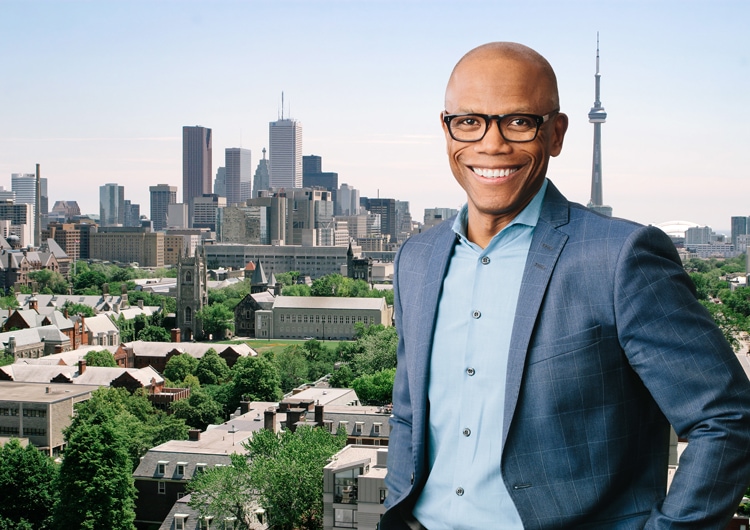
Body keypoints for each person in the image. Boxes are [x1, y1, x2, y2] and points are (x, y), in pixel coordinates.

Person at [382, 42, 750, 529]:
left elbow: (726, 419)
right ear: (446, 130)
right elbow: (409, 417)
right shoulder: (416, 258)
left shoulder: (621, 257)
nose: (491, 144)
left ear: (556, 133)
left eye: (518, 121)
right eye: (469, 121)